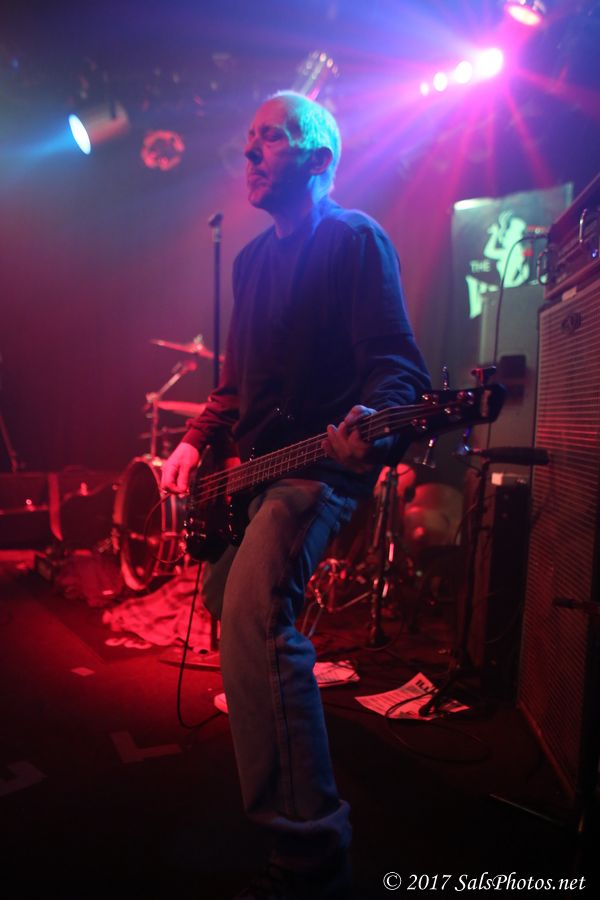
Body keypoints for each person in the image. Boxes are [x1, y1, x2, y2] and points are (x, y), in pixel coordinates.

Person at [161, 90, 430, 900]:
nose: (249, 152)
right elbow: (234, 387)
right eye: (248, 138)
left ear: (318, 158)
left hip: (320, 469)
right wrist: (194, 441)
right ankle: (285, 732)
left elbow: (398, 370)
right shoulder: (248, 263)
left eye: (270, 138)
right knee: (224, 595)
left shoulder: (354, 239)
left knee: (252, 614)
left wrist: (371, 423)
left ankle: (310, 857)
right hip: (254, 471)